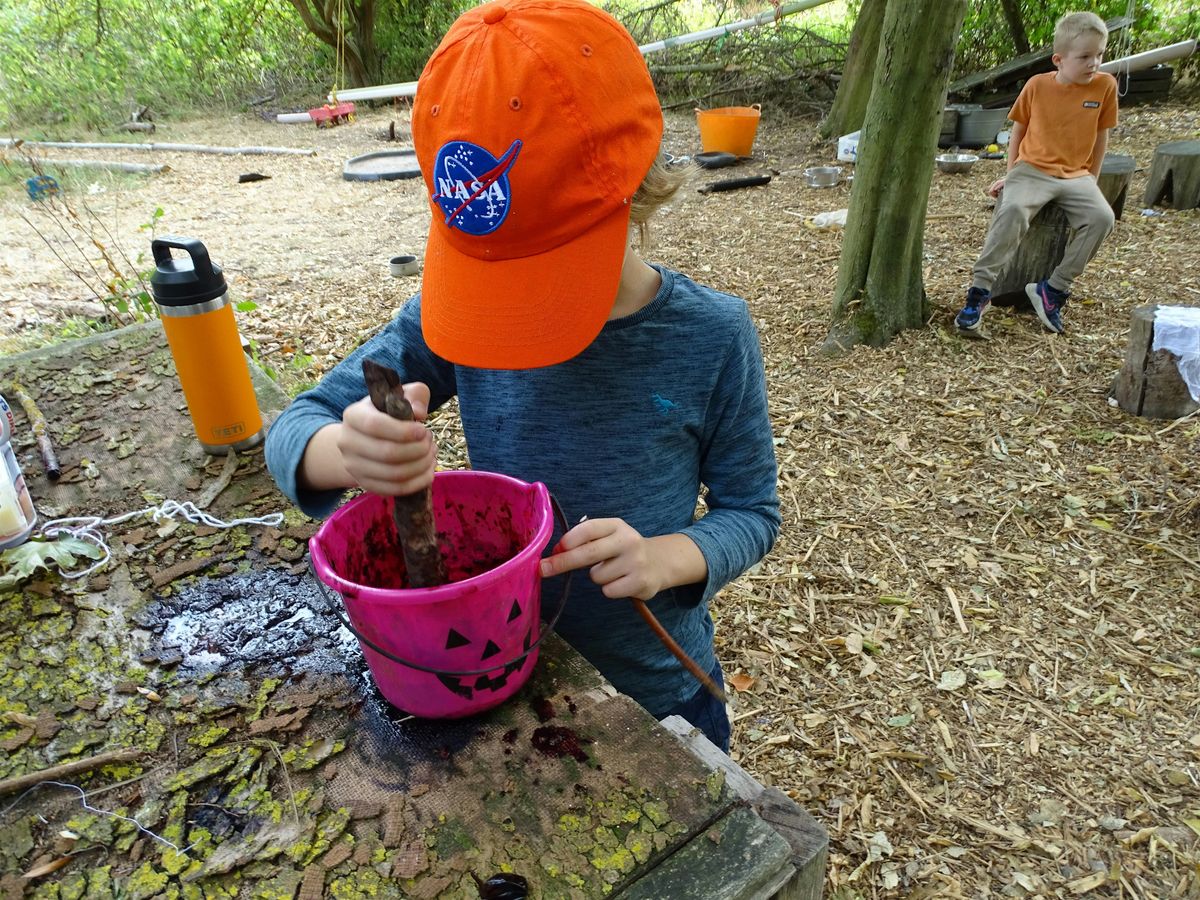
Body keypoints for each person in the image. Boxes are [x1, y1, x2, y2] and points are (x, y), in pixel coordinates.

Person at [265, 0, 780, 753]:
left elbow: (753, 512)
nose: (516, 319)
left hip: (660, 695)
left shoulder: (711, 337)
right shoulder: (451, 320)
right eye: (498, 284)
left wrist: (665, 557)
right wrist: (345, 451)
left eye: (542, 277)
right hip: (512, 687)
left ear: (631, 185)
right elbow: (292, 428)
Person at [954, 11, 1118, 336]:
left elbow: (1101, 137)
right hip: (1031, 170)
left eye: (1099, 55)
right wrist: (1012, 172)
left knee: (1103, 218)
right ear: (1059, 59)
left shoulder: (1105, 87)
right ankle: (980, 291)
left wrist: (1092, 180)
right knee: (1012, 209)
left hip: (1076, 176)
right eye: (1085, 56)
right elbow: (1018, 130)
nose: (1094, 63)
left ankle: (1053, 289)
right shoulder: (1037, 86)